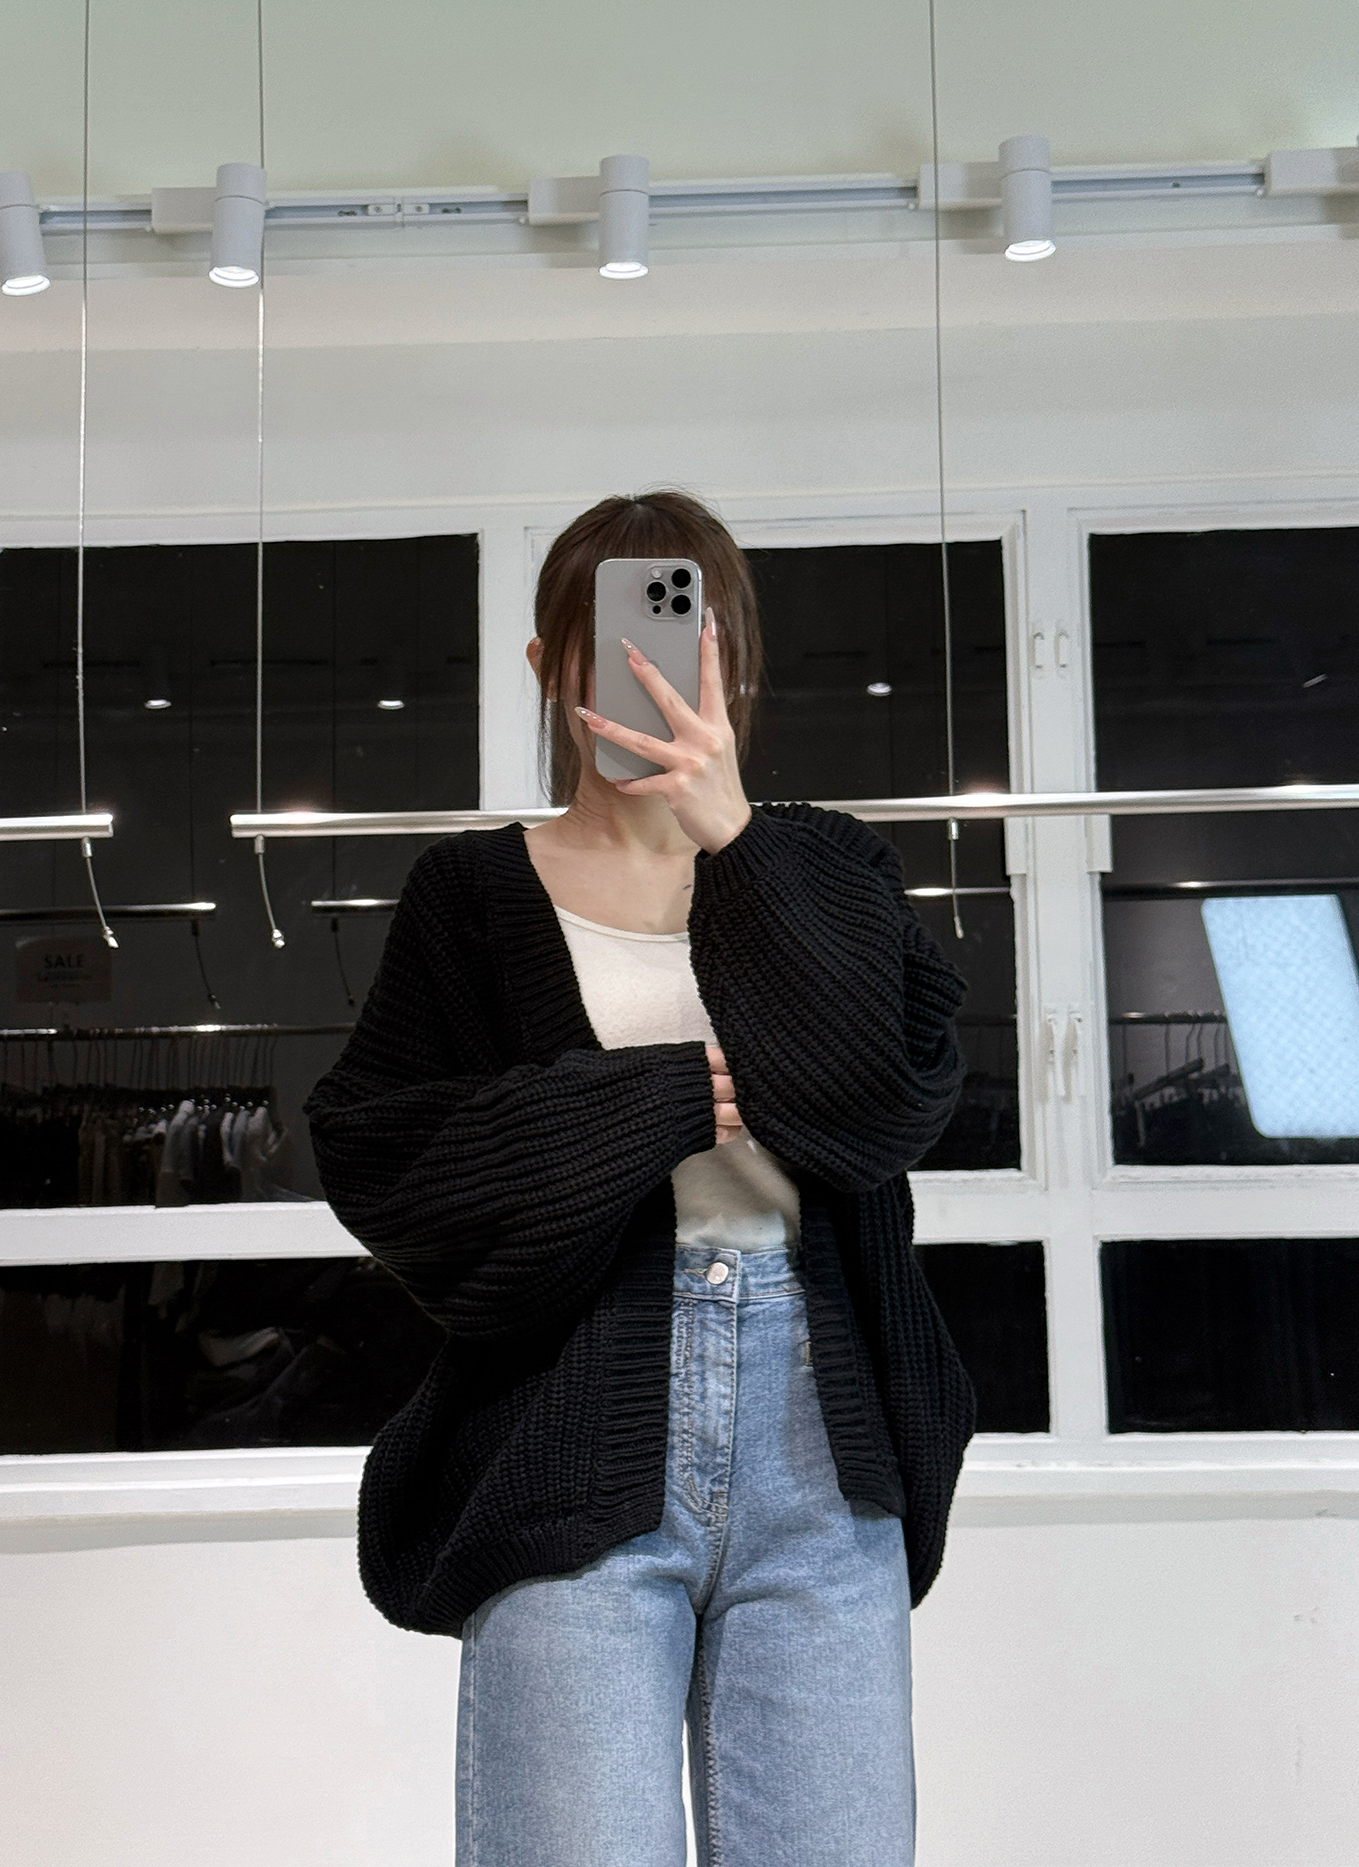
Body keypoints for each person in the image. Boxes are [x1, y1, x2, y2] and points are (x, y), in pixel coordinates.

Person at [305, 489, 976, 1867]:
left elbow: (889, 1102)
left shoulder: (828, 868)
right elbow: (390, 1160)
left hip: (823, 1448)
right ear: (547, 662)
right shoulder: (470, 898)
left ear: (734, 663)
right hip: (572, 1436)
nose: (650, 674)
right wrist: (662, 1102)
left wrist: (738, 843)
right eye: (610, 642)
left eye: (685, 642)